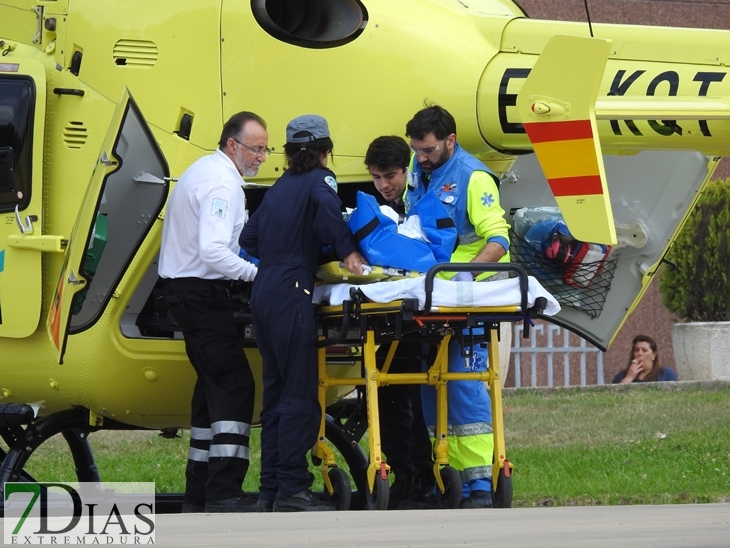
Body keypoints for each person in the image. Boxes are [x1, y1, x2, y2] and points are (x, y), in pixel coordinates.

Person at [239, 114, 366, 512]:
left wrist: (286, 252)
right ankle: (293, 488)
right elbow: (329, 217)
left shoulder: (279, 186)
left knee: (275, 394)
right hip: (294, 290)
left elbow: (249, 237)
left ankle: (270, 490)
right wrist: (344, 251)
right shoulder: (321, 181)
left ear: (290, 154)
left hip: (263, 292)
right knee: (298, 395)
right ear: (326, 153)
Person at [158, 111, 268, 513]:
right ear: (232, 145)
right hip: (201, 295)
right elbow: (214, 251)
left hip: (185, 293)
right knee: (235, 384)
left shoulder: (203, 170)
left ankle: (199, 492)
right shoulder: (224, 185)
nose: (261, 157)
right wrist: (257, 274)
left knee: (210, 390)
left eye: (265, 149)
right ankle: (225, 492)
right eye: (256, 149)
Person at [405, 104, 511, 509]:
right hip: (432, 298)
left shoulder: (472, 176)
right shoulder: (422, 170)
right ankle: (445, 477)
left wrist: (466, 274)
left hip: (463, 298)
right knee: (432, 390)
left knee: (464, 388)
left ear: (450, 141)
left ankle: (479, 484)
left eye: (429, 149)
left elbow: (498, 239)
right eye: (418, 149)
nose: (422, 156)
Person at [364, 136, 435, 509]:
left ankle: (423, 475)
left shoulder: (422, 200)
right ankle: (407, 475)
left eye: (389, 175)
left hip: (423, 315)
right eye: (376, 177)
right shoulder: (384, 209)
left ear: (406, 170)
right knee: (390, 394)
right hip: (395, 314)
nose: (383, 184)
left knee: (414, 397)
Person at [613, 335, 678, 383]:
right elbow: (615, 397)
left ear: (654, 354)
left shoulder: (666, 374)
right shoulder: (621, 376)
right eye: (636, 350)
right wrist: (629, 378)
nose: (640, 353)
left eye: (644, 350)